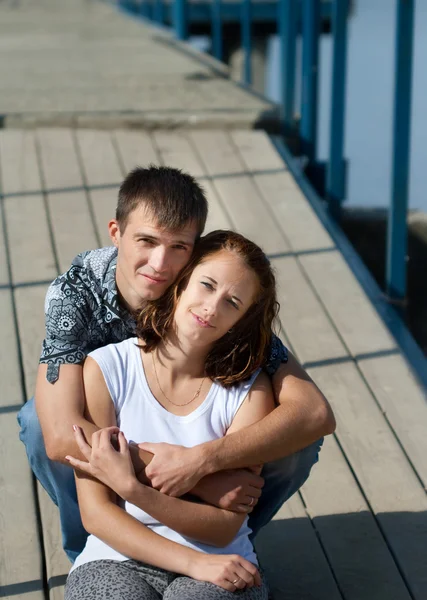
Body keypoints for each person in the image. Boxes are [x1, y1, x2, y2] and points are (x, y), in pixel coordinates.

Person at [17, 166, 335, 563]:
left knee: (295, 444)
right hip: (112, 428)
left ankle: (227, 536)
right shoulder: (74, 294)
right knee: (35, 422)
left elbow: (314, 412)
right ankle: (93, 547)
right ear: (116, 233)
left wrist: (203, 462)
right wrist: (203, 482)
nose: (161, 263)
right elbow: (61, 436)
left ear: (196, 248)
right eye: (146, 241)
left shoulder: (207, 295)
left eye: (178, 247)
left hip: (193, 437)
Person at [64, 230, 290, 600]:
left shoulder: (251, 392)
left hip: (218, 560)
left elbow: (222, 528)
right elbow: (96, 513)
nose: (212, 307)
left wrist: (132, 489)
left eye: (232, 302)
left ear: (243, 320)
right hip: (116, 555)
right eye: (206, 285)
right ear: (182, 282)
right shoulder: (107, 368)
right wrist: (191, 562)